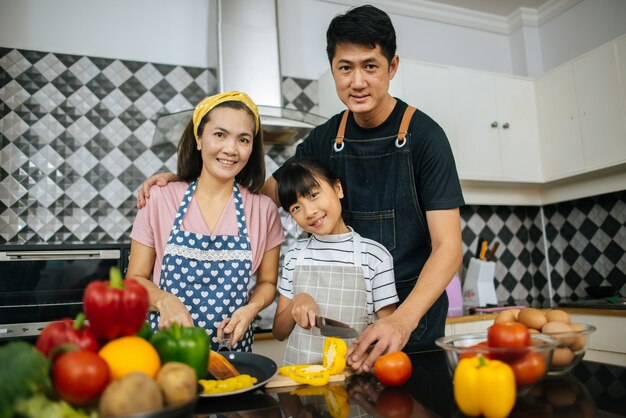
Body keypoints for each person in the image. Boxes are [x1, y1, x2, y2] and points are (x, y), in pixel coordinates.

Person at [137, 5, 463, 372]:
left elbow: (448, 247)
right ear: (333, 70)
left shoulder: (426, 138)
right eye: (345, 67)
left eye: (370, 66)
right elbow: (263, 189)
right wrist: (183, 180)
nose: (357, 81)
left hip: (411, 324)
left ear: (393, 67)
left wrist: (402, 320)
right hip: (340, 328)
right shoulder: (325, 138)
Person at [127, 91, 285, 352]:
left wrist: (252, 308)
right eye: (220, 135)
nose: (231, 149)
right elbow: (135, 279)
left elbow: (267, 283)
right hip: (166, 355)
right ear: (199, 139)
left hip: (233, 355)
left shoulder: (264, 209)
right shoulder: (159, 198)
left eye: (243, 139)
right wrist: (165, 301)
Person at [272, 158, 398, 365]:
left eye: (313, 195)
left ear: (337, 188)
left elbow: (386, 335)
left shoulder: (375, 256)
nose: (309, 212)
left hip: (354, 380)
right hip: (301, 379)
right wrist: (298, 300)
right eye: (296, 208)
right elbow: (279, 332)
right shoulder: (294, 256)